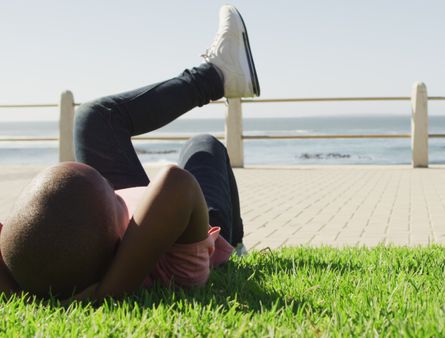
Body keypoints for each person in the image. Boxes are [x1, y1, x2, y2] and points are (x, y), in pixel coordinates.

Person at [0, 4, 259, 300]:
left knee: (94, 118)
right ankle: (234, 242)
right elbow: (176, 183)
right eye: (113, 194)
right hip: (195, 226)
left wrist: (17, 287)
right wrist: (108, 292)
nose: (113, 189)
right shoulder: (172, 262)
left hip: (95, 222)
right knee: (203, 145)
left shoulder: (37, 250)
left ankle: (217, 76)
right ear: (118, 243)